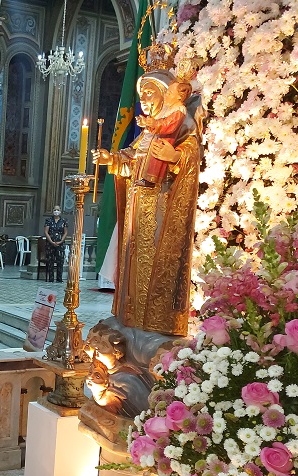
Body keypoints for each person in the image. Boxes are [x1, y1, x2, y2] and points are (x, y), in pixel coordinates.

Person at [92, 69, 201, 336]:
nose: (145, 101)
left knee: (156, 265)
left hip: (162, 206)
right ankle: (133, 317)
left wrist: (174, 156)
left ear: (165, 95)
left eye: (150, 94)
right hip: (137, 208)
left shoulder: (181, 122)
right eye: (142, 96)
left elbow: (192, 152)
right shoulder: (150, 129)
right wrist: (113, 160)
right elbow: (132, 159)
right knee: (133, 263)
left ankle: (155, 321)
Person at [133, 80, 193, 188]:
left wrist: (155, 123)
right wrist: (146, 123)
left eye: (169, 93)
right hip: (159, 138)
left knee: (156, 159)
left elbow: (169, 125)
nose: (165, 96)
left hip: (166, 141)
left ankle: (151, 179)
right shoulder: (170, 109)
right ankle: (147, 179)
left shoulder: (179, 110)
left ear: (179, 97)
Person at [44, 205, 68, 283]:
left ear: (60, 211)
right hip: (50, 243)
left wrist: (61, 241)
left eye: (58, 210)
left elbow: (65, 232)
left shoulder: (63, 221)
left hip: (60, 244)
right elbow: (46, 232)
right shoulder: (49, 220)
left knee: (60, 261)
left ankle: (59, 278)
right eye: (55, 210)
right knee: (50, 261)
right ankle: (51, 278)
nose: (56, 211)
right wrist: (51, 241)